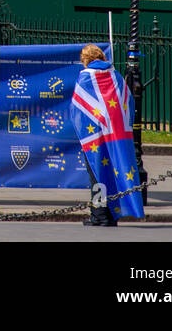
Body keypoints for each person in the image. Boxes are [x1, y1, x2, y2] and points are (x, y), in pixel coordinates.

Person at [70, 43, 144, 226]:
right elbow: (127, 100)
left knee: (97, 173)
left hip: (95, 136)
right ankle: (112, 214)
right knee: (113, 172)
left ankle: (99, 214)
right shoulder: (115, 75)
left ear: (85, 59)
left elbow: (77, 107)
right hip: (117, 134)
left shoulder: (85, 76)